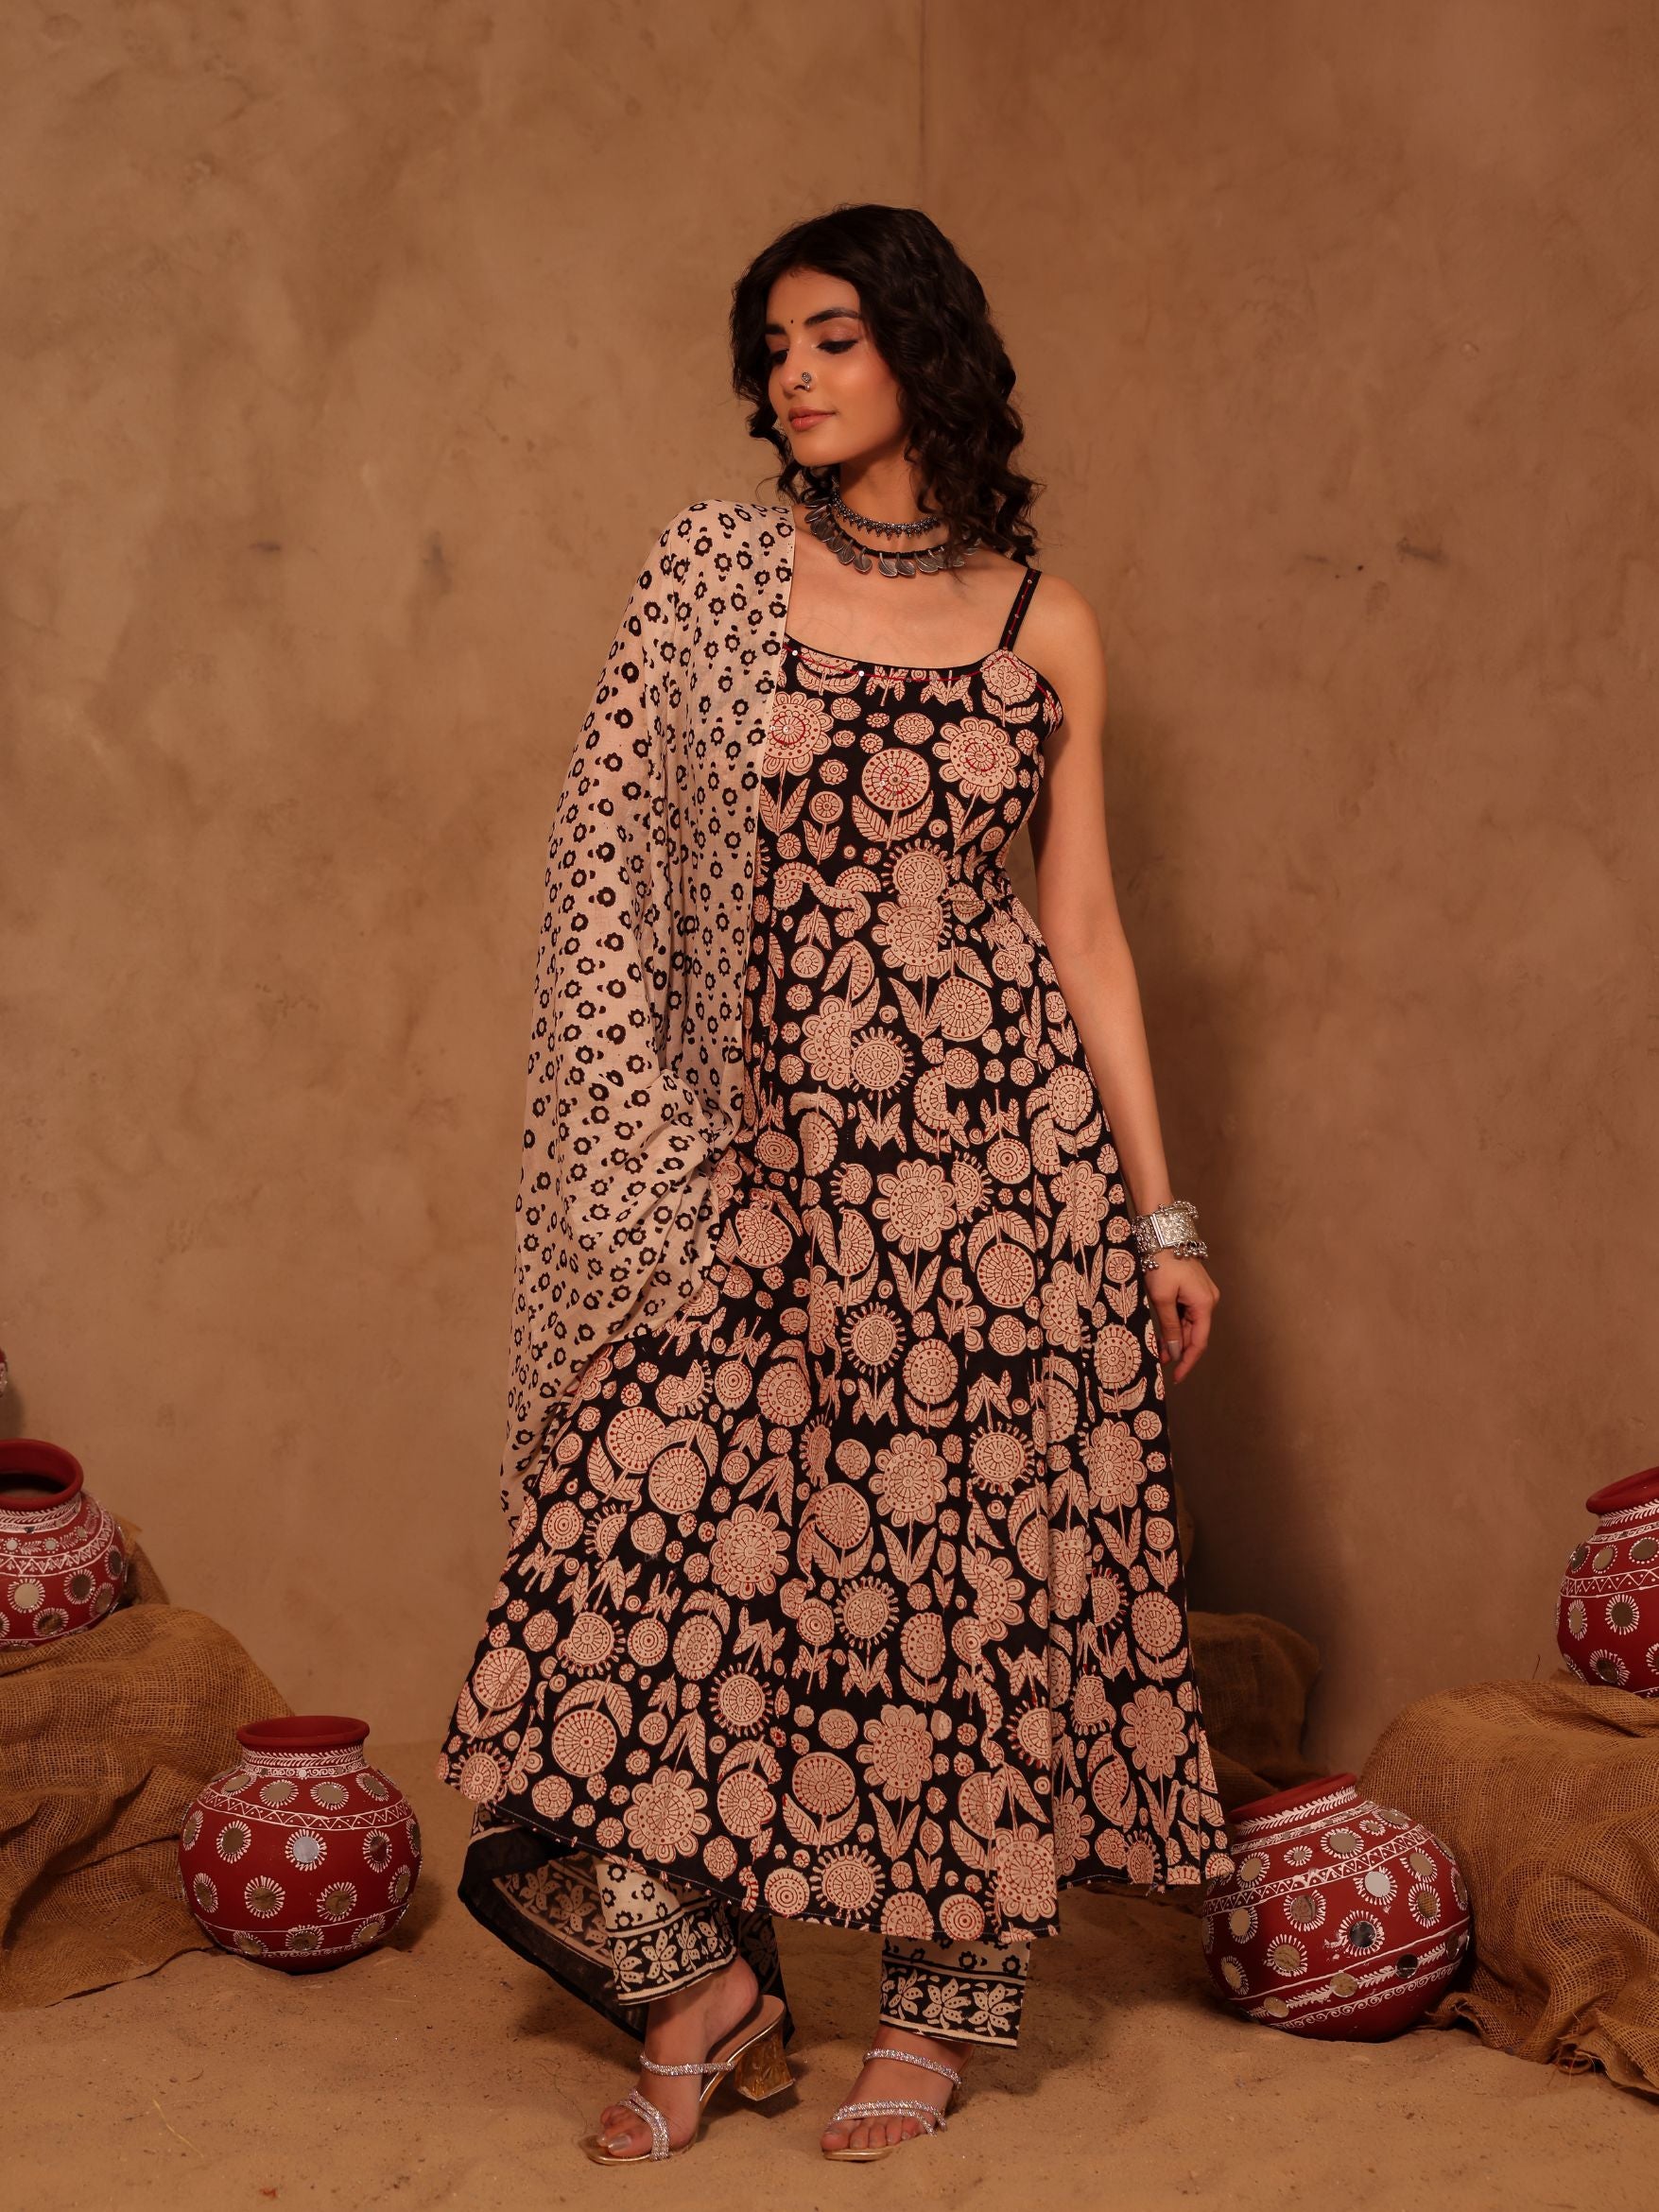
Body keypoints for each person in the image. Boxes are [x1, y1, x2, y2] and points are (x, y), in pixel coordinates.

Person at [435, 201, 1233, 2166]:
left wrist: (1159, 1217)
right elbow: (608, 875)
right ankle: (701, 1984)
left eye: (830, 338)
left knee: (960, 1576)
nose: (790, 376)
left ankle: (932, 2022)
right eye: (771, 349)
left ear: (921, 351)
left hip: (1002, 1181)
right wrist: (661, 1158)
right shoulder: (714, 581)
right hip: (759, 1177)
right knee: (642, 1560)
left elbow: (1083, 930)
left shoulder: (1043, 622)